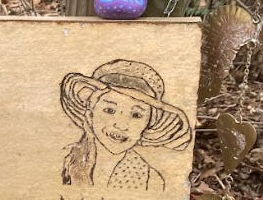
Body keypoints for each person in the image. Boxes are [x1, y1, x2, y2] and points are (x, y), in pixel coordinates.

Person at [59, 59, 192, 192]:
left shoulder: (151, 180)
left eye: (136, 115)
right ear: (90, 114)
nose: (121, 125)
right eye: (109, 110)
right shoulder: (62, 159)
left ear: (149, 123)